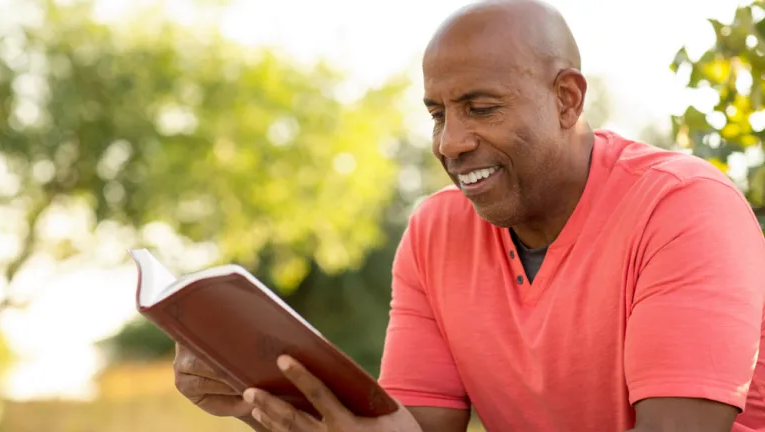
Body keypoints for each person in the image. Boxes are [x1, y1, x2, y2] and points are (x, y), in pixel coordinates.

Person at [172, 0, 765, 431]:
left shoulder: (684, 208)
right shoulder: (435, 233)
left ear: (567, 99)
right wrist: (275, 402)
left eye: (479, 108)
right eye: (437, 113)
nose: (450, 142)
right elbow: (417, 427)